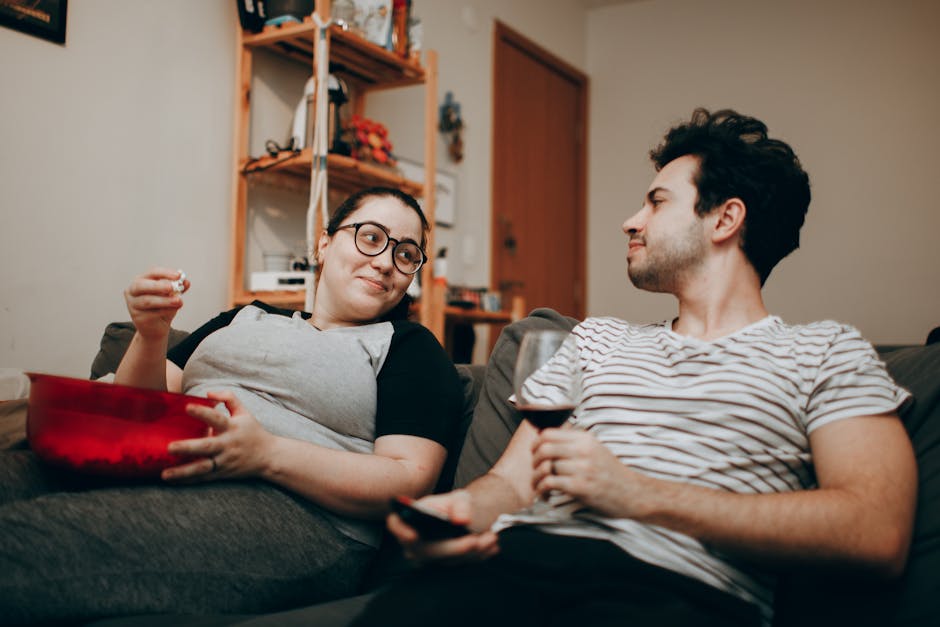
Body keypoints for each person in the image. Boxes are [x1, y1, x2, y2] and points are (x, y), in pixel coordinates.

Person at [349, 110, 917, 627]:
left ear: (725, 219)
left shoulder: (825, 352)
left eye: (657, 201)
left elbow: (875, 531)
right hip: (511, 568)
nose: (630, 220)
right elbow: (511, 482)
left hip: (675, 593)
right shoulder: (594, 339)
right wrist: (460, 511)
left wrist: (638, 494)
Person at [0, 186, 465, 624]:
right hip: (152, 464)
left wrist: (266, 455)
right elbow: (134, 407)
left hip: (295, 516)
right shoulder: (245, 317)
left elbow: (408, 481)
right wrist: (151, 333)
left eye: (405, 254)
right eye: (370, 238)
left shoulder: (409, 347)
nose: (385, 262)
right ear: (323, 245)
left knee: (26, 540)